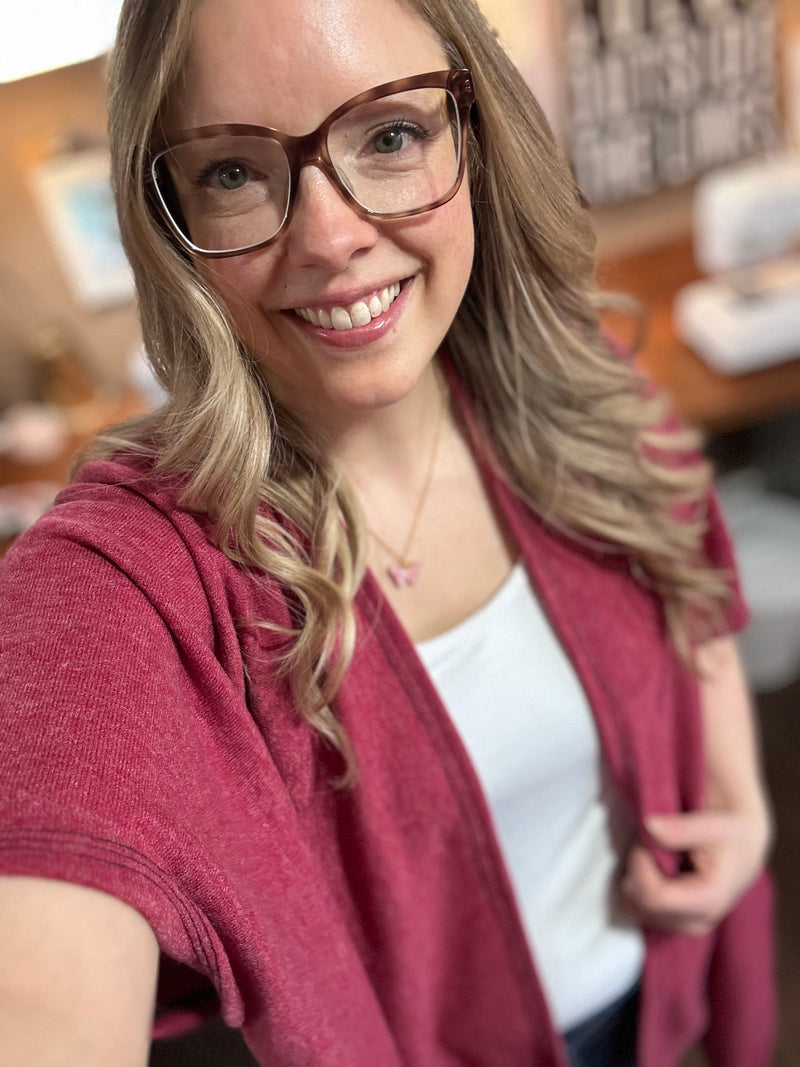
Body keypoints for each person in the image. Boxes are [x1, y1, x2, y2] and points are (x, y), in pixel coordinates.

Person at [0, 0, 775, 1063]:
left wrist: (735, 791)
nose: (329, 237)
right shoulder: (131, 580)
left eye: (391, 135)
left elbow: (685, 567)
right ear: (164, 211)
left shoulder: (581, 390)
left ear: (475, 132)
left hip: (655, 1002)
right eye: (231, 171)